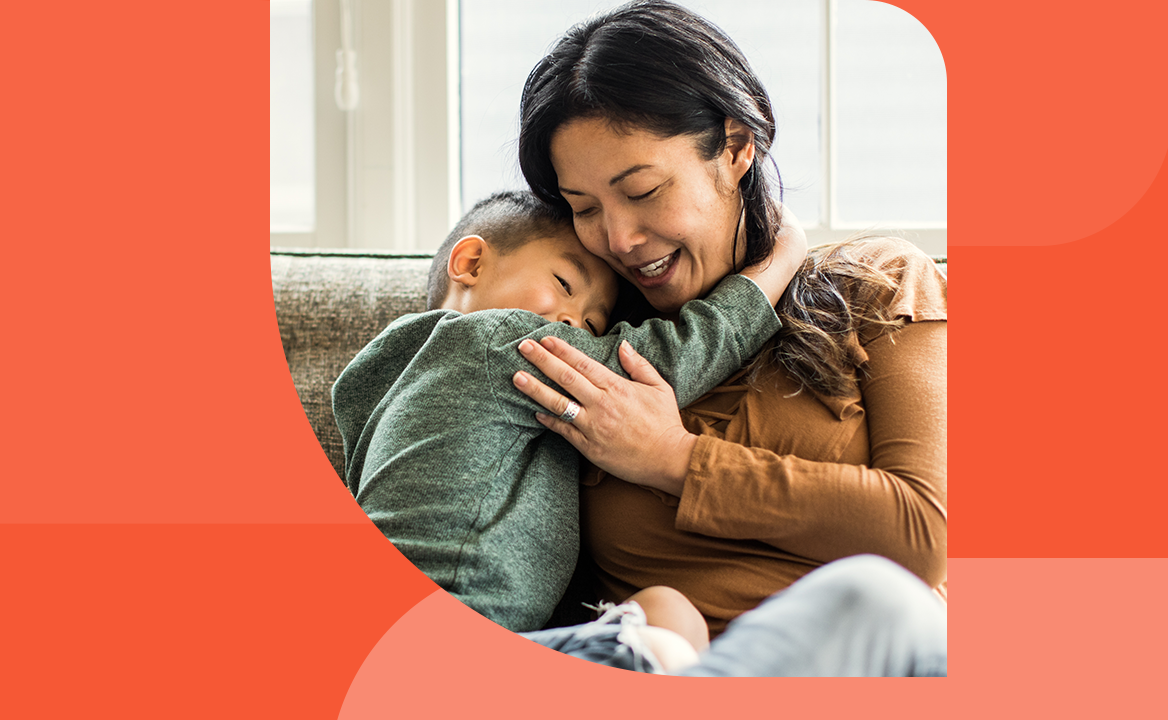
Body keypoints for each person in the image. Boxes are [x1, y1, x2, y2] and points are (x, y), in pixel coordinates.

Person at [511, 0, 947, 673]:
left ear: (738, 146)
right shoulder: (586, 349)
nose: (620, 239)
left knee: (878, 597)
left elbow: (921, 534)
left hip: (859, 660)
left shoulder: (877, 283)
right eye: (585, 210)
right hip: (654, 669)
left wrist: (671, 458)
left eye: (645, 190)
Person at [331, 190, 804, 633]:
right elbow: (664, 361)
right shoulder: (496, 341)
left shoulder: (384, 379)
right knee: (667, 617)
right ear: (470, 262)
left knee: (661, 617)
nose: (573, 323)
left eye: (593, 324)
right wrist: (777, 262)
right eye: (564, 283)